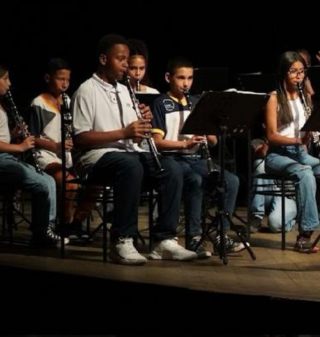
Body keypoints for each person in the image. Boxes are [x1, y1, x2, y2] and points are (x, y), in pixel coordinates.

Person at [72, 34, 197, 265]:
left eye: (127, 59)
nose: (126, 64)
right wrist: (125, 132)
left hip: (129, 153)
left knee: (171, 168)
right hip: (96, 157)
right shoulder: (86, 90)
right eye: (120, 59)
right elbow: (80, 138)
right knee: (130, 166)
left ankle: (164, 240)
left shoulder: (124, 89)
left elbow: (136, 136)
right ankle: (122, 239)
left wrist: (144, 123)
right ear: (103, 59)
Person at [151, 57, 247, 258]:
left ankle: (220, 234)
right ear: (168, 78)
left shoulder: (196, 103)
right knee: (195, 181)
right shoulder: (161, 103)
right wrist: (185, 144)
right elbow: (157, 142)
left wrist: (211, 128)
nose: (186, 83)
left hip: (196, 158)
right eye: (181, 78)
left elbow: (212, 142)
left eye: (190, 78)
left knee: (231, 181)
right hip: (172, 158)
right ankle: (194, 237)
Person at [263, 51, 320, 253]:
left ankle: (312, 223)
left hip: (300, 153)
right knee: (305, 173)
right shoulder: (274, 98)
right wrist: (297, 139)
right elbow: (271, 136)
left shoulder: (304, 97)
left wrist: (311, 132)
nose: (298, 76)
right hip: (278, 155)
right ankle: (305, 233)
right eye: (293, 72)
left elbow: (307, 129)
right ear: (283, 73)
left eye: (301, 72)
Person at [0, 62, 62, 248]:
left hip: (4, 159)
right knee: (42, 183)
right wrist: (22, 147)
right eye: (5, 79)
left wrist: (15, 134)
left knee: (47, 181)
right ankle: (43, 231)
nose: (9, 84)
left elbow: (1, 138)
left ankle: (45, 228)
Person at [28, 58, 95, 242]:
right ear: (48, 78)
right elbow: (32, 138)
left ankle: (76, 223)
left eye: (67, 79)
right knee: (70, 184)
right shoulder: (38, 103)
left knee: (96, 182)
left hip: (68, 157)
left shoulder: (67, 99)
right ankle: (64, 226)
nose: (65, 83)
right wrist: (55, 146)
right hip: (46, 157)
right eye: (60, 79)